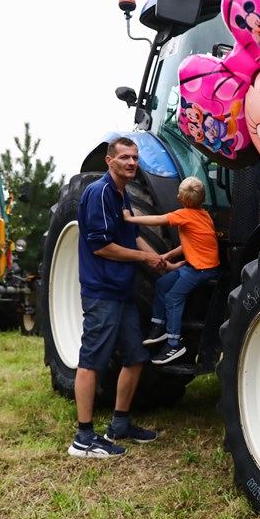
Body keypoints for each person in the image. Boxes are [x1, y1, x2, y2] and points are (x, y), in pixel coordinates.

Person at [69, 137, 164, 458]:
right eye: (124, 157)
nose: (131, 162)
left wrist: (161, 261)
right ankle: (83, 438)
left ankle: (120, 423)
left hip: (121, 293)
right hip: (102, 292)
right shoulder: (99, 193)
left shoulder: (122, 195)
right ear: (109, 161)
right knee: (92, 361)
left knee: (136, 358)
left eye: (135, 158)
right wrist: (145, 261)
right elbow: (102, 246)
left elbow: (132, 236)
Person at [123, 176, 220, 365]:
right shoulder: (204, 214)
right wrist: (168, 255)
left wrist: (130, 219)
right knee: (162, 284)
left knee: (173, 297)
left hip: (201, 270)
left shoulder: (185, 214)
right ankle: (159, 326)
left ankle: (174, 343)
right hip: (196, 266)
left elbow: (159, 219)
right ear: (203, 198)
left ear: (180, 199)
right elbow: (192, 244)